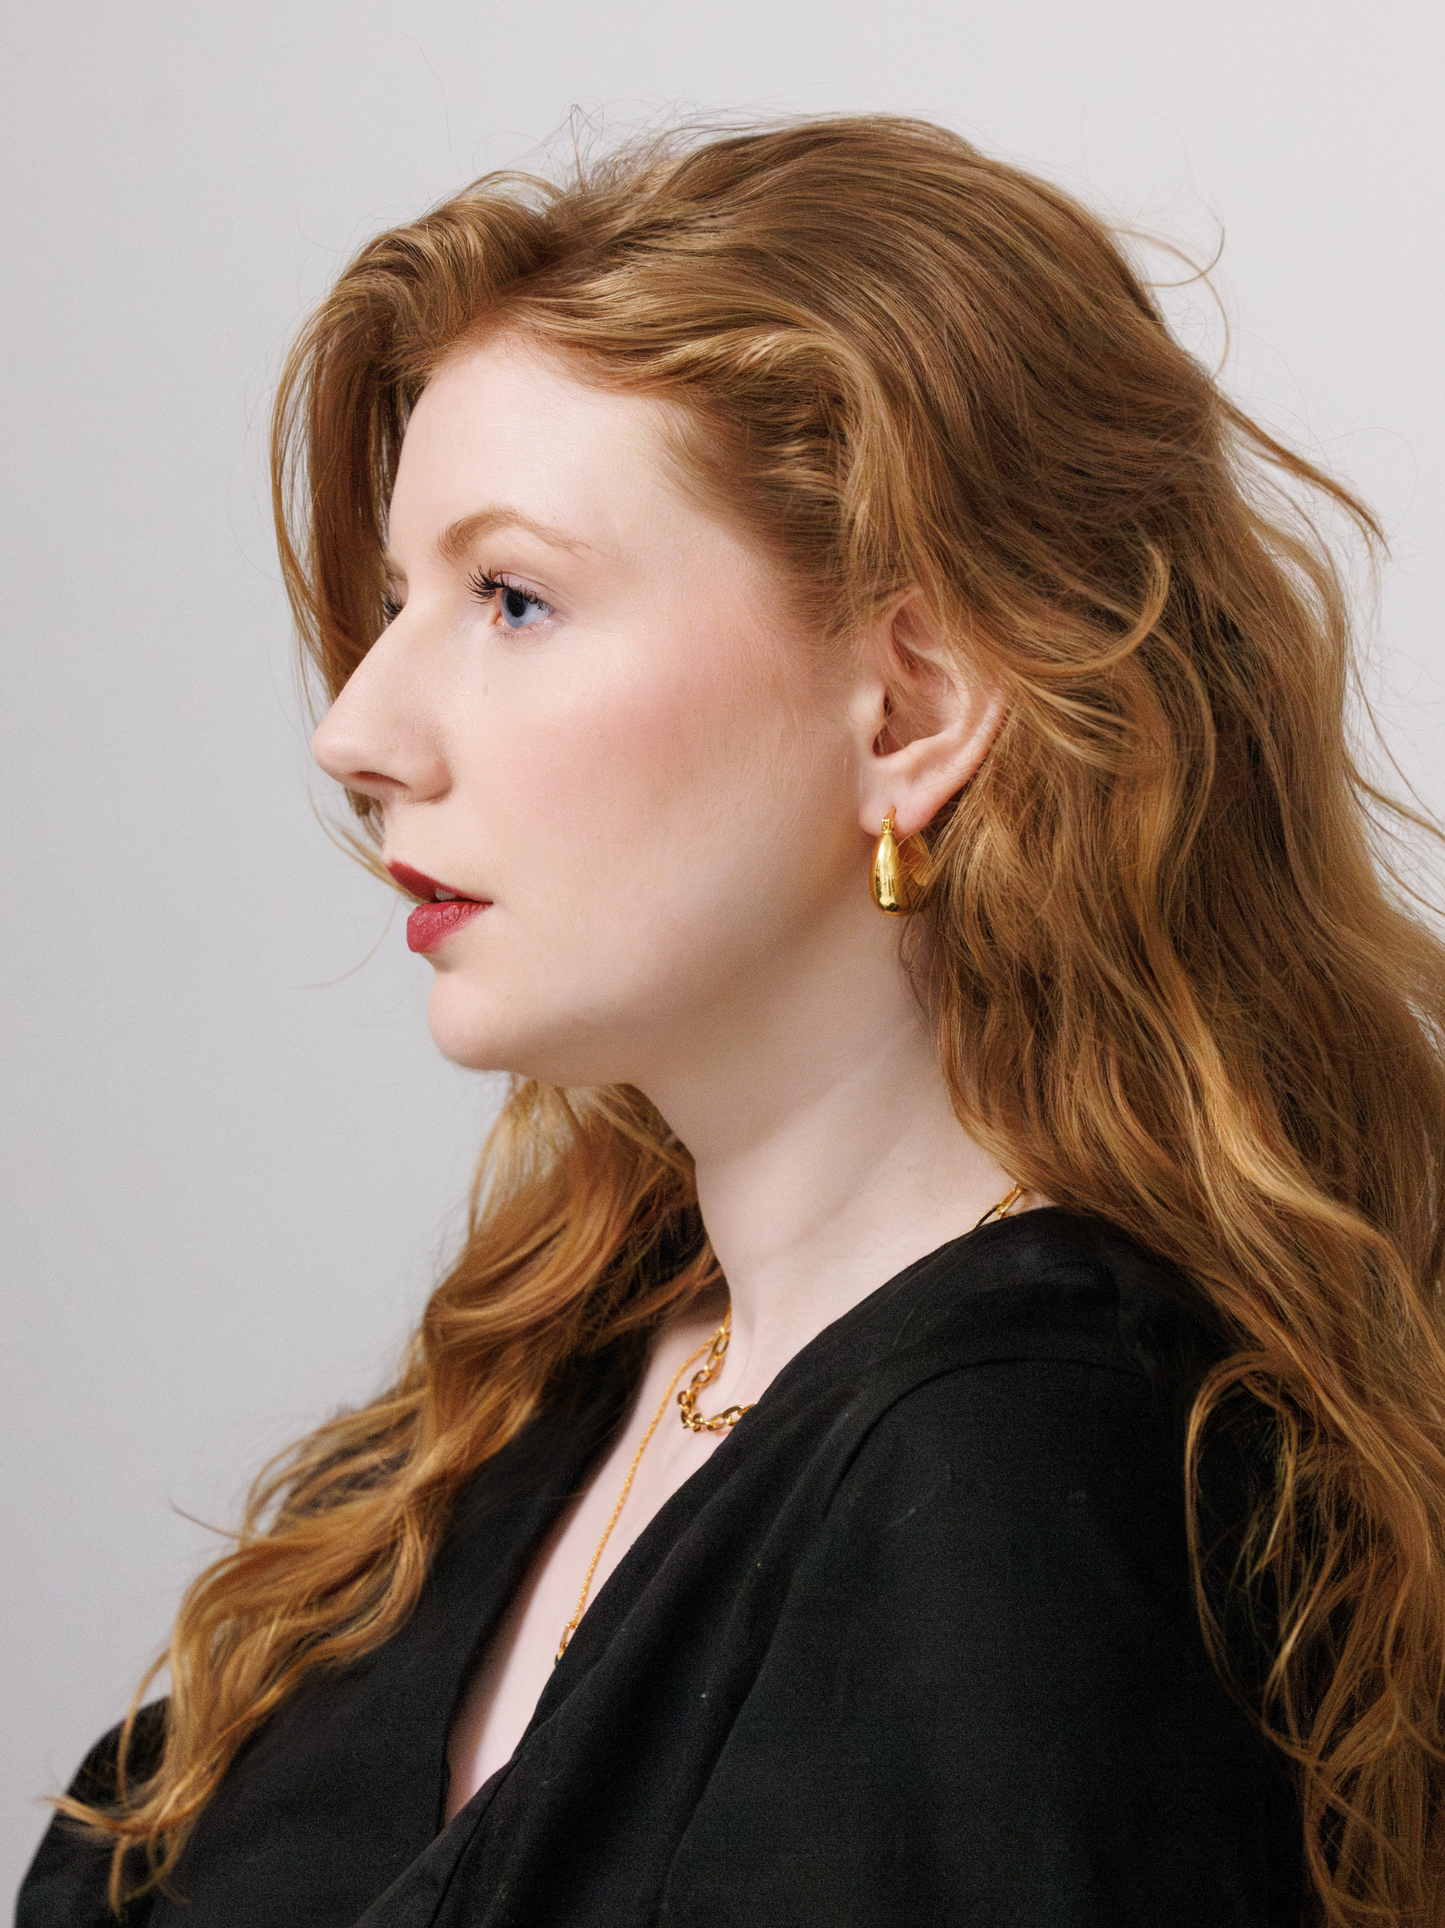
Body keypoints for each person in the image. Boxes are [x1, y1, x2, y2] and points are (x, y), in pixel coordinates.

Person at [18, 113, 1445, 1928]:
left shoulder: (1011, 1488)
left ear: (910, 711)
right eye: (393, 602)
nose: (357, 731)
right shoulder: (561, 1362)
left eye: (513, 598)